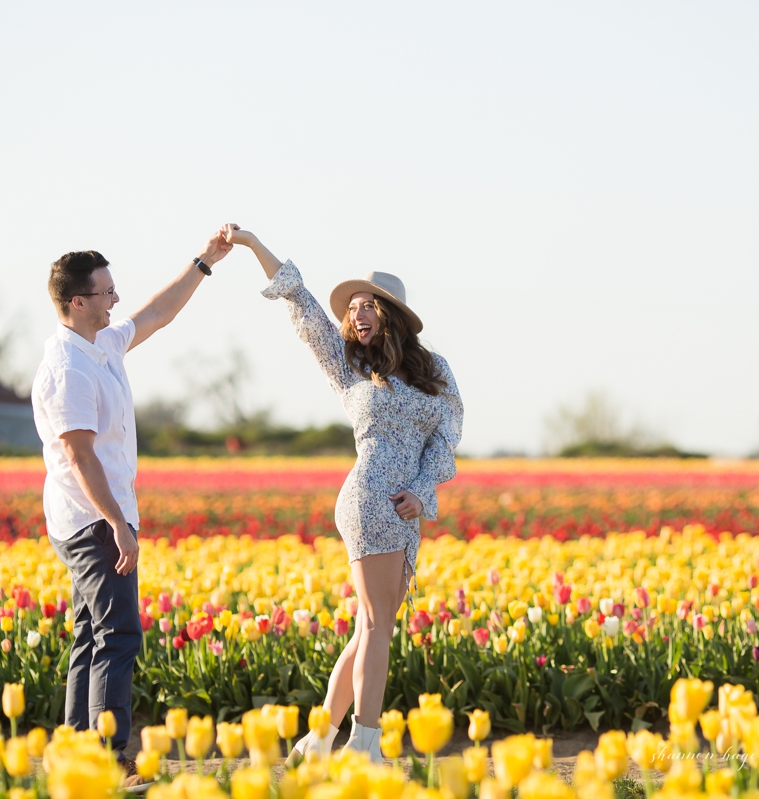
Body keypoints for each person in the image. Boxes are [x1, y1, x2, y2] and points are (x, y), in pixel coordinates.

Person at [222, 223, 463, 763]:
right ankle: (364, 742)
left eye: (366, 305)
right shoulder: (350, 366)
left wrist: (421, 492)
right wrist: (255, 244)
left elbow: (445, 440)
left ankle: (319, 740)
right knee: (377, 625)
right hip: (369, 499)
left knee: (369, 627)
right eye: (352, 308)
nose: (356, 315)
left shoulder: (434, 370)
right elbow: (304, 305)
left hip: (404, 504)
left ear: (391, 313)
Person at [31, 236, 231, 785]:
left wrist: (203, 263)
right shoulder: (69, 368)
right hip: (93, 519)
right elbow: (79, 455)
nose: (116, 299)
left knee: (91, 633)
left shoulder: (100, 345)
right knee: (118, 634)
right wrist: (117, 524)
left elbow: (157, 313)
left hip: (96, 516)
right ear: (78, 302)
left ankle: (76, 752)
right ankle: (109, 756)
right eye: (106, 293)